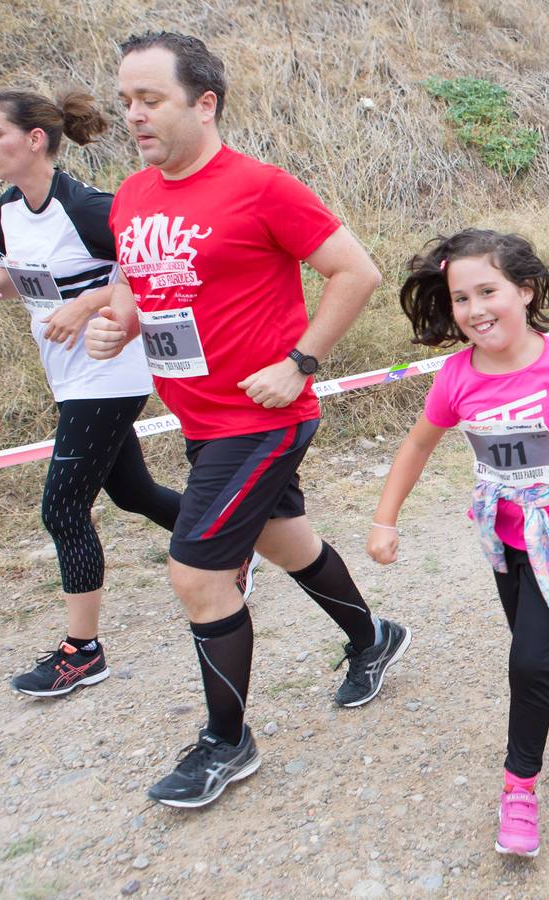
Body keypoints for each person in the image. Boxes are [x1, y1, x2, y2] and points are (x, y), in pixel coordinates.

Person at [84, 32, 407, 808]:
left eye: (150, 99)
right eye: (126, 100)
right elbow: (139, 276)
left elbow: (354, 272)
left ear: (205, 102)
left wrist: (300, 359)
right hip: (200, 418)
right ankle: (373, 639)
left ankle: (227, 743)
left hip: (260, 420)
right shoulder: (131, 195)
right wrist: (117, 320)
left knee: (198, 575)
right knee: (287, 541)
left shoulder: (260, 187)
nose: (133, 114)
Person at [373, 229, 549, 858]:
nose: (475, 310)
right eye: (460, 298)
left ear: (525, 291)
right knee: (526, 640)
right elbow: (418, 445)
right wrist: (384, 518)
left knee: (530, 663)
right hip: (504, 537)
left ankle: (519, 789)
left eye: (489, 291)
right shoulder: (455, 376)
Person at [0, 89, 186, 699]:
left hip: (110, 370)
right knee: (133, 492)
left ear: (34, 139)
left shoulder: (90, 207)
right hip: (65, 375)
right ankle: (231, 544)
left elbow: (146, 274)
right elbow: (21, 274)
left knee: (62, 508)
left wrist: (88, 303)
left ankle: (83, 650)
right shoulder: (12, 206)